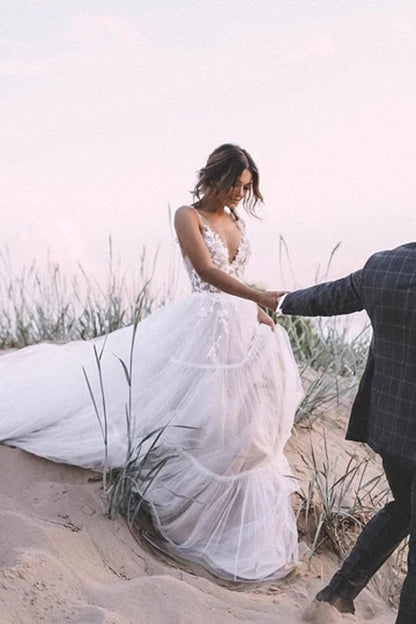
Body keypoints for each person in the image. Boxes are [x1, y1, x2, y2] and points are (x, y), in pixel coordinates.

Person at [0, 144, 303, 582]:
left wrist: (255, 311)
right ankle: (179, 512)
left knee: (239, 425)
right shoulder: (188, 215)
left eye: (246, 187)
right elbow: (206, 270)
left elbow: (234, 281)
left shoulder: (237, 221)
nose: (240, 194)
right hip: (201, 328)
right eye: (235, 184)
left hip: (238, 330)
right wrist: (255, 295)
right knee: (199, 419)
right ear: (214, 177)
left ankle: (231, 517)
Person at [277, 244, 416, 623]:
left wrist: (279, 302)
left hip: (391, 429)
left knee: (405, 509)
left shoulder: (385, 266)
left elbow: (329, 297)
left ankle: (334, 597)